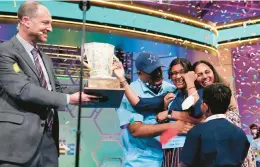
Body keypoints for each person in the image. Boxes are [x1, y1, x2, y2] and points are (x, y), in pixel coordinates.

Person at [0, 2, 99, 167]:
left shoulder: (44, 58)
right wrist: (69, 99)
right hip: (16, 146)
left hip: (48, 145)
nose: (51, 28)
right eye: (45, 23)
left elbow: (56, 90)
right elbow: (23, 90)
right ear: (26, 21)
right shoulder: (5, 51)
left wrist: (91, 84)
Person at [114, 58, 203, 167]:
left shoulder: (171, 89)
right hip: (142, 161)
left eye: (159, 70)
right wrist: (171, 124)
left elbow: (200, 117)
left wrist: (169, 114)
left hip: (178, 153)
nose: (158, 74)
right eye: (152, 71)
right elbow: (136, 128)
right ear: (140, 74)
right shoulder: (129, 94)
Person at [178, 83, 250, 167]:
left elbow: (184, 164)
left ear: (205, 107)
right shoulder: (240, 133)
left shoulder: (196, 132)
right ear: (227, 107)